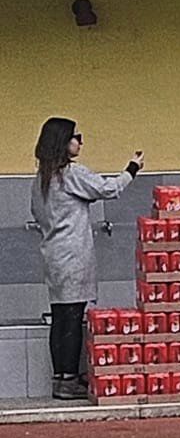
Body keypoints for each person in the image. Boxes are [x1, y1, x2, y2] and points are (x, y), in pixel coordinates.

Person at [30, 118, 141, 401]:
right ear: (64, 142)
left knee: (60, 318)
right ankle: (68, 380)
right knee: (73, 318)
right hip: (73, 255)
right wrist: (132, 169)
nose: (80, 142)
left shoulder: (41, 179)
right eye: (76, 137)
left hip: (53, 255)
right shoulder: (71, 174)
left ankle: (60, 376)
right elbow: (108, 189)